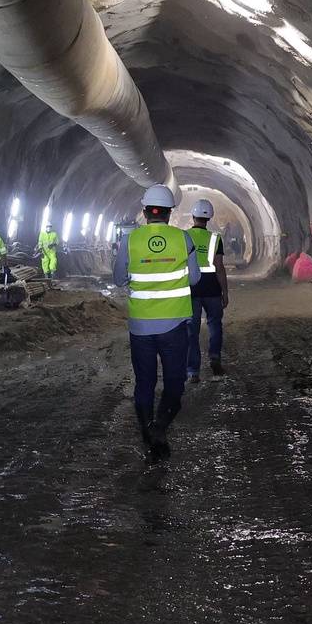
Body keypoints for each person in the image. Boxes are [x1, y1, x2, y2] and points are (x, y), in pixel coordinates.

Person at [114, 186, 200, 460]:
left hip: (140, 326)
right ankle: (160, 428)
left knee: (144, 382)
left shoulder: (130, 239)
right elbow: (195, 279)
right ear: (170, 212)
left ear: (144, 212)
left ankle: (146, 430)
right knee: (175, 382)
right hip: (174, 325)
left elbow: (118, 279)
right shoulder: (183, 239)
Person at [185, 199, 229, 379]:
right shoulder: (215, 238)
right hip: (212, 289)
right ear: (209, 218)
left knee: (191, 331)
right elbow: (219, 267)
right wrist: (225, 292)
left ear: (193, 216)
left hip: (191, 289)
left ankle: (193, 371)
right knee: (215, 325)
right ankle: (215, 358)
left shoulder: (184, 236)